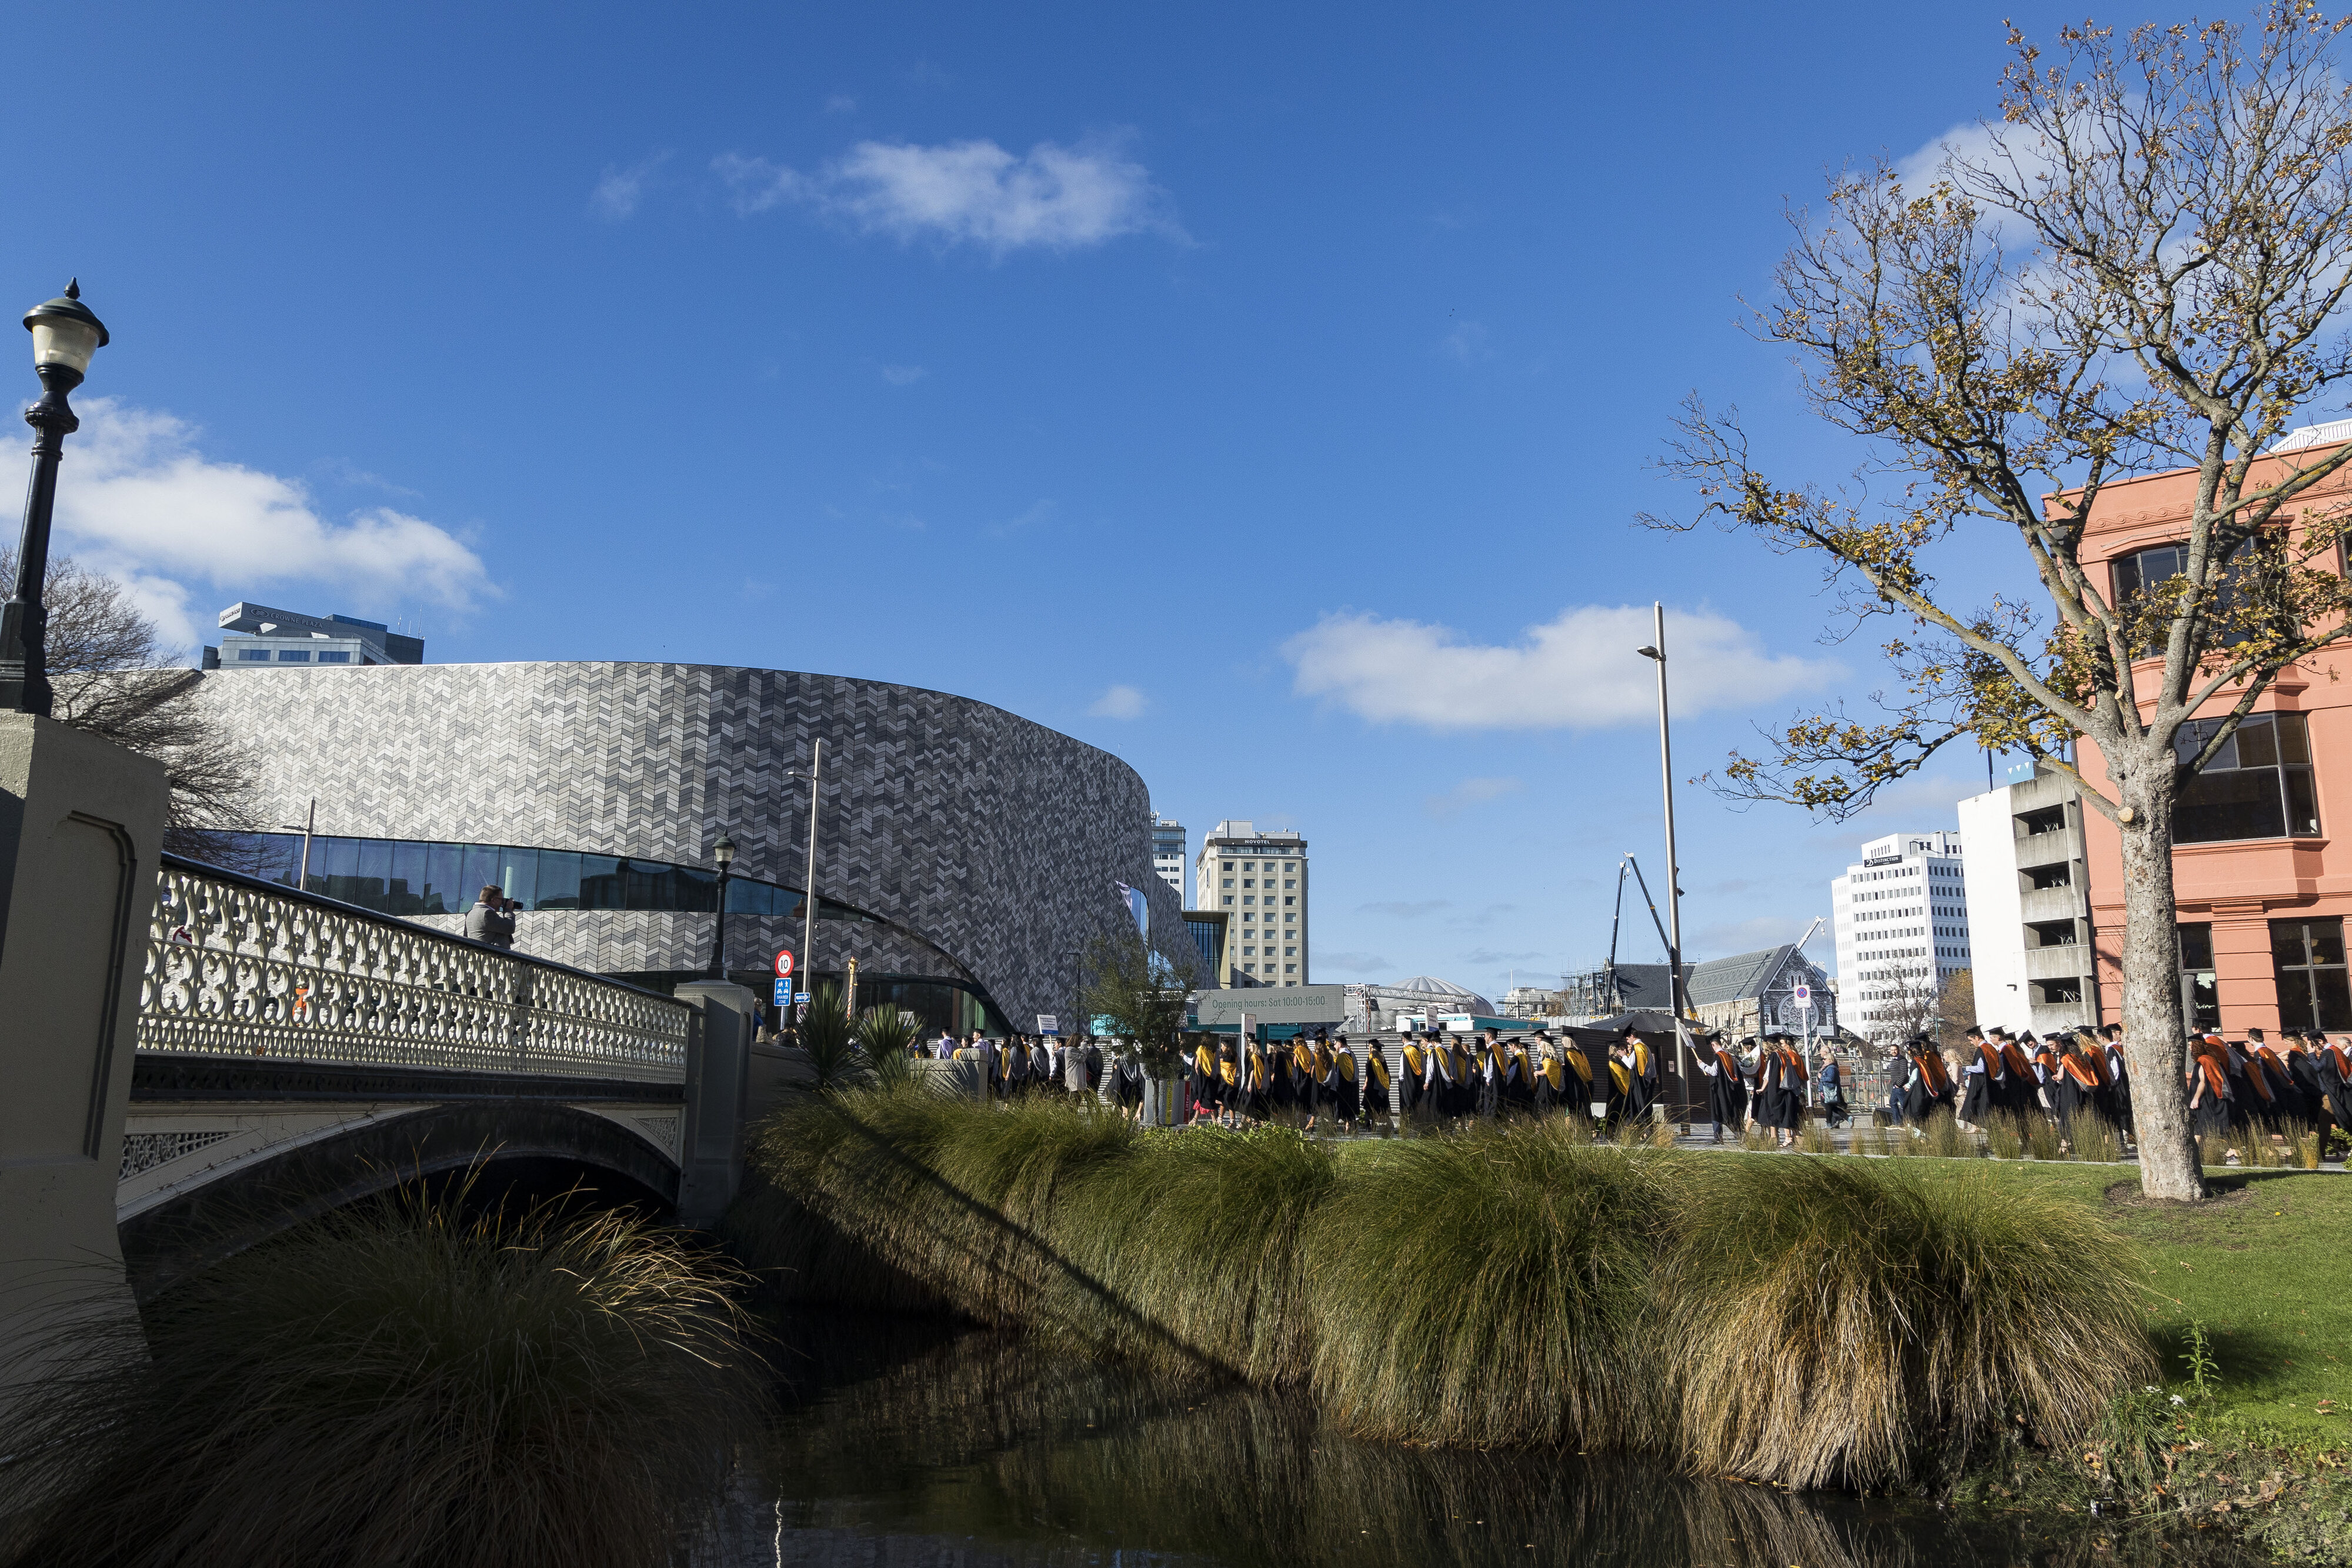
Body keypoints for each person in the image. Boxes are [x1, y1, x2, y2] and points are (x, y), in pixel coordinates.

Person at [1690, 1029, 1747, 1143]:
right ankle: (1739, 1134)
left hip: (1720, 1090)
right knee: (1729, 1112)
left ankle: (1718, 1137)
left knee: (1717, 1112)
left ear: (1713, 1045)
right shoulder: (1729, 1055)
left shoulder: (1718, 1056)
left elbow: (1714, 1071)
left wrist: (1702, 1065)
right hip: (1730, 1090)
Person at [465, 884, 515, 949]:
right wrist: (508, 910)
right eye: (501, 900)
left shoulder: (472, 912)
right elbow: (509, 928)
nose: (502, 903)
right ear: (493, 900)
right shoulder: (486, 913)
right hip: (494, 956)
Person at [1815, 1042, 1850, 1128]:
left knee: (1829, 1106)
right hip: (1825, 1089)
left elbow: (1830, 1078)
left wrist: (1821, 1078)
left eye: (1824, 1059)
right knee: (1830, 1106)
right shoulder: (1828, 1066)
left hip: (1829, 1089)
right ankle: (1842, 1119)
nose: (1823, 1060)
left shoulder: (1831, 1067)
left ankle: (1833, 1122)